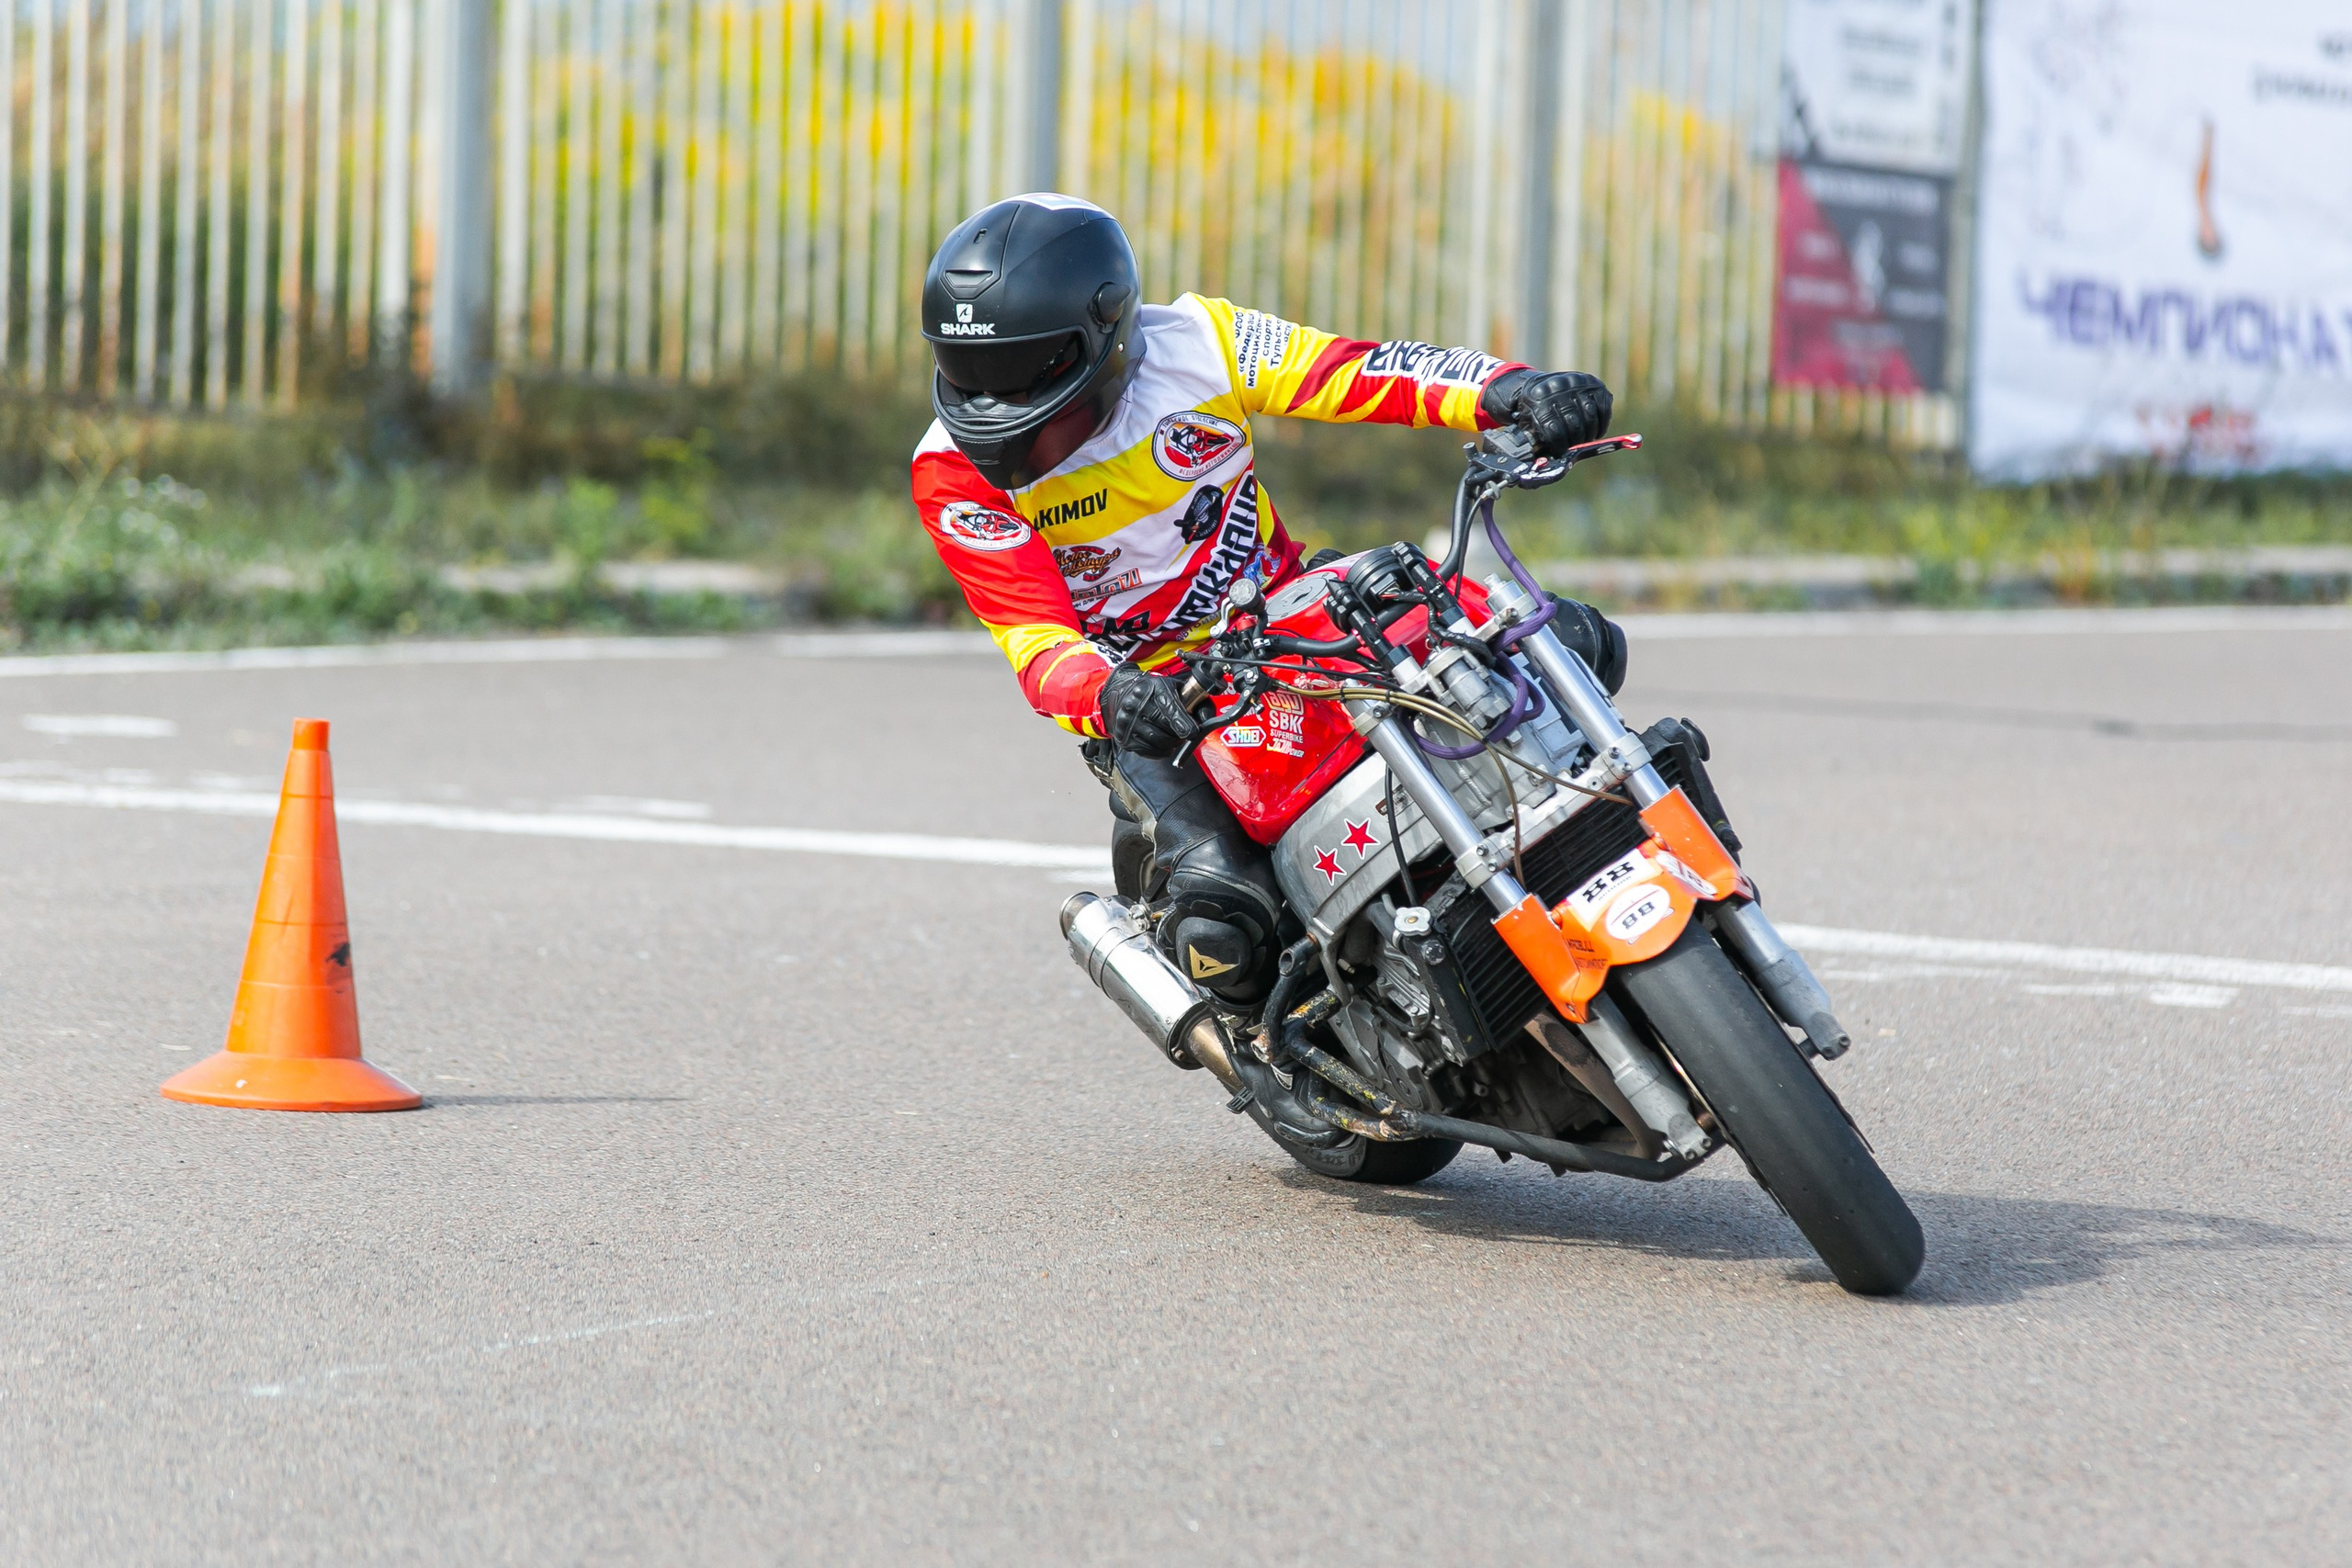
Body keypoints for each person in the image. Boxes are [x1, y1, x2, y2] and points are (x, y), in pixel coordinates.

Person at [911, 194, 1625, 1048]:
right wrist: (1108, 694)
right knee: (1224, 923)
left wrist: (1510, 389)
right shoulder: (950, 474)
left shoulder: (1202, 347)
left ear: (1106, 337)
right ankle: (1281, 1045)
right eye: (969, 378)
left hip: (1294, 608)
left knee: (1571, 644)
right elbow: (1033, 638)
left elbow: (1363, 370)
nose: (1000, 423)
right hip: (1158, 702)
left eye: (1027, 390)